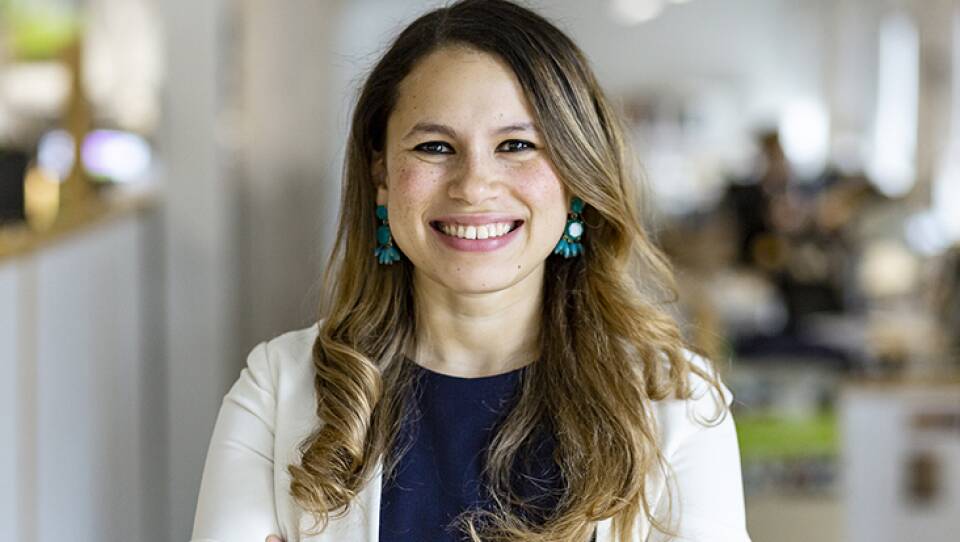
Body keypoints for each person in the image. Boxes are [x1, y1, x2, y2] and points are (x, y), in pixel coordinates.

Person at [190, 1, 750, 541]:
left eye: (516, 145)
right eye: (435, 146)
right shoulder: (276, 391)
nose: (474, 185)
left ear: (577, 175)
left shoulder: (676, 404)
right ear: (381, 174)